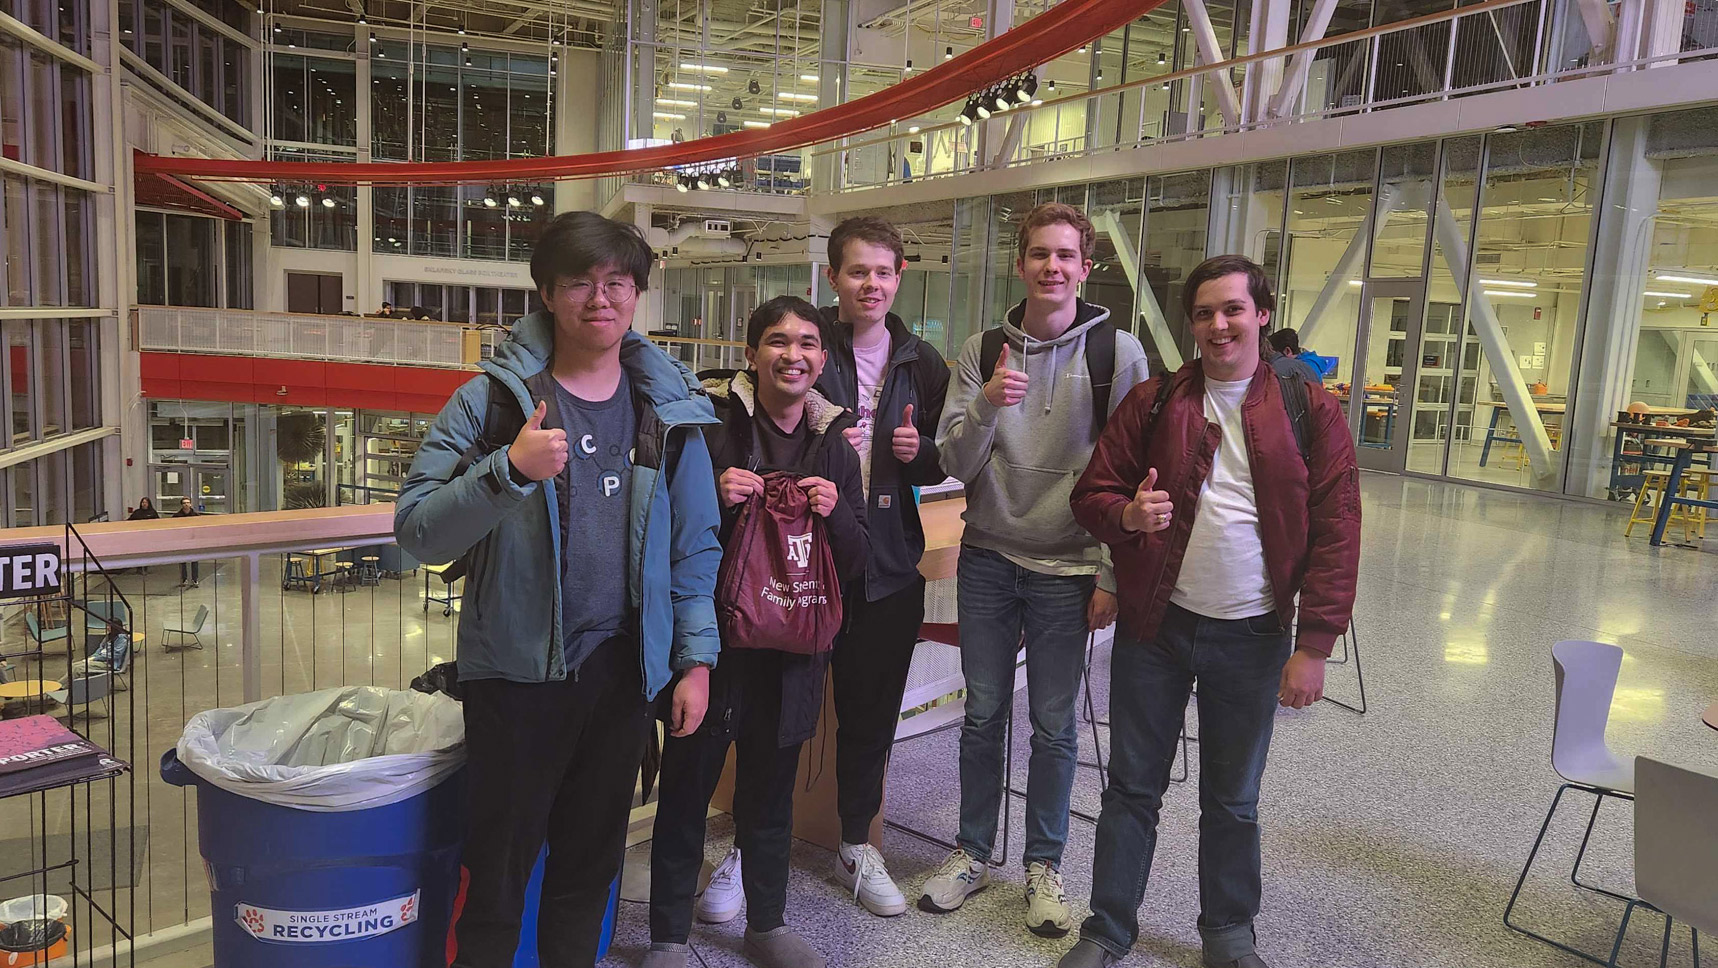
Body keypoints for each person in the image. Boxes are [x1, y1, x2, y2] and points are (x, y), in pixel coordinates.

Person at [395, 211, 723, 968]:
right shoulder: (492, 402)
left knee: (587, 873)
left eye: (617, 283)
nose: (599, 299)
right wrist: (507, 470)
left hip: (621, 676)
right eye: (578, 282)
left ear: (637, 294)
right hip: (515, 678)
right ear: (546, 293)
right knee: (496, 880)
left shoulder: (666, 412)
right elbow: (417, 531)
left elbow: (693, 548)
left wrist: (695, 660)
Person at [1060, 254, 1361, 968]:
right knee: (1132, 788)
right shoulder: (1156, 401)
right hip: (1155, 629)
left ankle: (1227, 932)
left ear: (1262, 314)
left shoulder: (1307, 408)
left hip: (1254, 634)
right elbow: (1092, 493)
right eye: (1204, 313)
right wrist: (1127, 515)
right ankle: (1108, 928)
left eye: (1232, 309)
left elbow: (1338, 526)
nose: (1218, 325)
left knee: (1232, 798)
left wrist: (1315, 645)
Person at [928, 202, 1150, 935]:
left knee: (1055, 727)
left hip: (1070, 567)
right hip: (989, 556)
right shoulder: (983, 349)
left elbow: (1132, 473)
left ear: (1085, 267)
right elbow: (955, 461)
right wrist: (988, 404)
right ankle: (971, 852)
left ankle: (1044, 867)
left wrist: (1111, 574)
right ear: (1020, 263)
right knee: (982, 714)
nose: (1051, 267)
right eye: (1038, 254)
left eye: (1065, 255)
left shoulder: (1117, 353)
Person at [646, 296, 869, 968]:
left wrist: (835, 513)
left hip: (793, 654)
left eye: (807, 344)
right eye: (777, 341)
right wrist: (713, 495)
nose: (792, 355)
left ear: (822, 361)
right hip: (713, 650)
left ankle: (766, 925)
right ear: (750, 354)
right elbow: (662, 533)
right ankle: (668, 936)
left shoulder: (836, 449)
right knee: (687, 790)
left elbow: (858, 561)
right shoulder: (712, 430)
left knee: (771, 797)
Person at [813, 215, 950, 916]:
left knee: (870, 719)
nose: (871, 284)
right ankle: (753, 845)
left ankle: (855, 846)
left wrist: (917, 453)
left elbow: (938, 459)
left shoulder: (922, 363)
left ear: (900, 278)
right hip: (805, 563)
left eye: (883, 272)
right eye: (857, 271)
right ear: (833, 277)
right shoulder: (805, 342)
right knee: (778, 714)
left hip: (889, 567)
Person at [173, 498, 201, 587]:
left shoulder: (196, 516)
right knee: (182, 560)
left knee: (194, 560)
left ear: (190, 504)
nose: (186, 504)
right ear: (181, 505)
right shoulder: (177, 516)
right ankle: (184, 579)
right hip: (182, 540)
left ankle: (195, 579)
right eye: (184, 503)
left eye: (188, 503)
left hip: (193, 540)